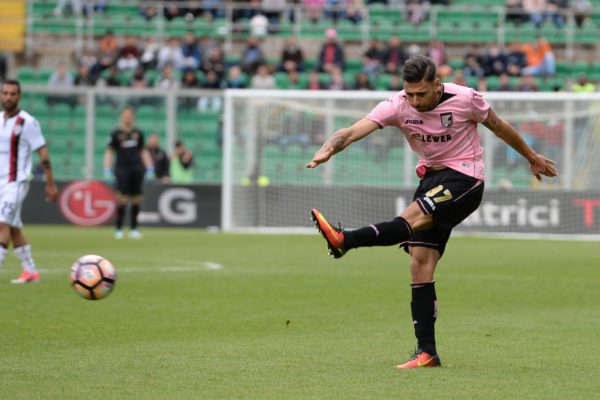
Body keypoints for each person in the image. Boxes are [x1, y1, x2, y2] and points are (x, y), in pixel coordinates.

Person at [306, 55, 558, 369]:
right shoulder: (397, 105)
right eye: (410, 93)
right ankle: (427, 353)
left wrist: (531, 157)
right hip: (430, 180)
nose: (415, 101)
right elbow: (352, 131)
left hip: (465, 178)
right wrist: (330, 147)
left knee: (409, 220)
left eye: (421, 94)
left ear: (437, 85)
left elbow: (498, 126)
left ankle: (345, 240)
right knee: (420, 265)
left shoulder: (465, 99)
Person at [0, 80, 59, 283]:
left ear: (19, 96)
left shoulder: (28, 122)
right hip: (1, 183)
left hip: (16, 182)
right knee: (13, 227)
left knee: (1, 223)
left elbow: (43, 153)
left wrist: (50, 183)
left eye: (13, 94)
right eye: (5, 93)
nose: (8, 97)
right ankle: (30, 271)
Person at [103, 106, 154, 239]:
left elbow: (143, 151)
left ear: (133, 117)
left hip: (137, 169)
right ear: (121, 116)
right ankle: (119, 229)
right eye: (125, 115)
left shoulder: (138, 133)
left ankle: (134, 229)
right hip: (122, 169)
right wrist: (107, 169)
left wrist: (150, 168)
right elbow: (109, 151)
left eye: (130, 115)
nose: (127, 117)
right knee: (122, 200)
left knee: (136, 200)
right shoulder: (115, 134)